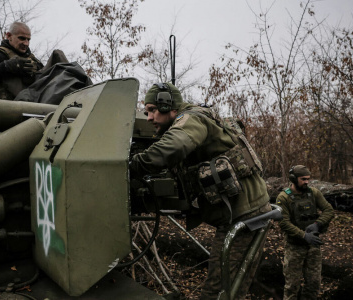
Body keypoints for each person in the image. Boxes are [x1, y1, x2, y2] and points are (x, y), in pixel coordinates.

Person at [130, 82, 272, 300]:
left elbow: (174, 146)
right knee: (232, 287)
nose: (148, 117)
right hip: (246, 211)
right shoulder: (192, 117)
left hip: (243, 215)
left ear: (169, 105)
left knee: (219, 291)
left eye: (152, 110)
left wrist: (133, 165)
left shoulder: (190, 119)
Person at [276, 165, 334, 300]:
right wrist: (303, 235)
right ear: (293, 179)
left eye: (308, 179)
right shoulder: (284, 197)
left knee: (313, 284)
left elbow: (328, 210)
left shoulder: (314, 193)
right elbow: (284, 223)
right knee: (292, 286)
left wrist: (317, 224)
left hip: (313, 246)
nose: (307, 182)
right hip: (294, 247)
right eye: (303, 179)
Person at [0, 21, 44, 100]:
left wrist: (36, 69)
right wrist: (6, 66)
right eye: (22, 38)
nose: (26, 43)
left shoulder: (34, 60)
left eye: (28, 40)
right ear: (9, 36)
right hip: (9, 108)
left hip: (34, 108)